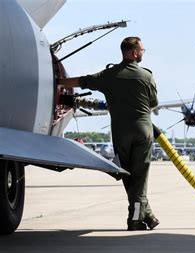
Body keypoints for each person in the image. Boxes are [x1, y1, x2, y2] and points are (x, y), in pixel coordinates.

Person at [58, 37, 159, 231]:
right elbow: (153, 103)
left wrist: (58, 81)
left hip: (121, 133)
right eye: (142, 51)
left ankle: (146, 214)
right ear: (134, 53)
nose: (143, 54)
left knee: (129, 175)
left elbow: (82, 81)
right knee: (140, 177)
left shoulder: (109, 75)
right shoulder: (147, 76)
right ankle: (137, 218)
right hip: (143, 131)